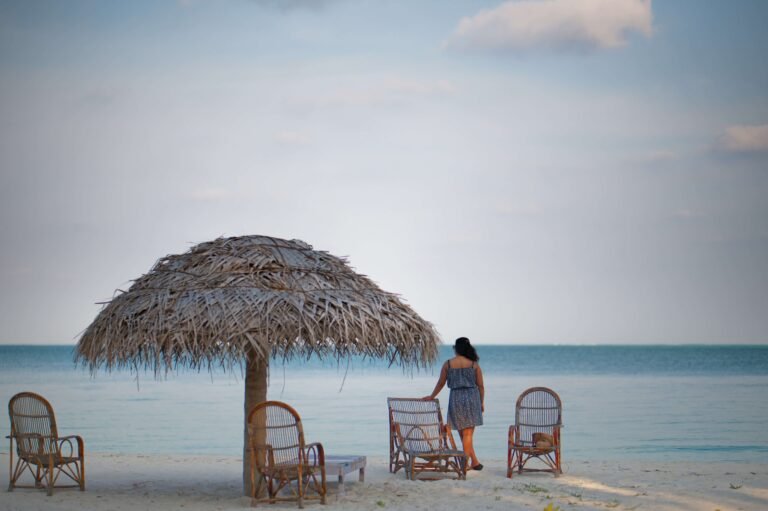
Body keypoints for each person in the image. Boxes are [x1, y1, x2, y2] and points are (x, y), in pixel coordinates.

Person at [422, 336, 485, 470]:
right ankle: (465, 464)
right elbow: (481, 386)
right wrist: (481, 402)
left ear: (456, 349)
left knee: (464, 434)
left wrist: (432, 396)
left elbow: (441, 383)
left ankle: (474, 462)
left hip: (456, 398)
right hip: (472, 398)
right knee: (468, 434)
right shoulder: (474, 365)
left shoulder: (448, 364)